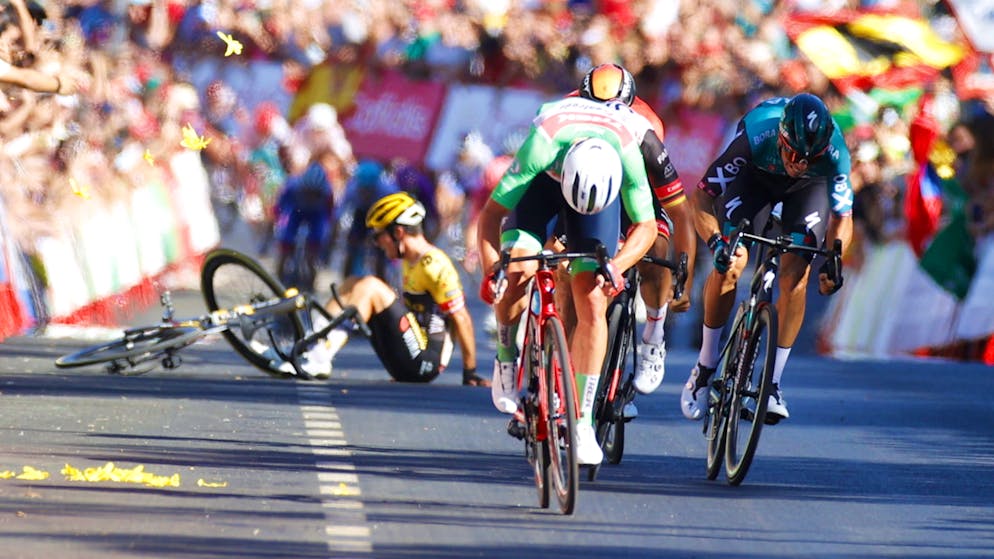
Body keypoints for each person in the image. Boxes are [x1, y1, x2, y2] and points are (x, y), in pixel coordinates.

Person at [476, 95, 658, 466]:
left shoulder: (627, 150)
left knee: (592, 299)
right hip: (544, 184)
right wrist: (491, 267)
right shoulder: (542, 144)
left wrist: (618, 265)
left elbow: (647, 226)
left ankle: (582, 421)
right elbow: (491, 215)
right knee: (518, 271)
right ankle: (507, 356)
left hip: (599, 197)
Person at [680, 93, 852, 424]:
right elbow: (701, 198)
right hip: (754, 180)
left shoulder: (834, 153)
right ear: (782, 138)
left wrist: (834, 258)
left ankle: (772, 384)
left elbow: (843, 216)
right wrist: (716, 242)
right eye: (793, 154)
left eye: (808, 158)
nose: (798, 163)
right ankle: (705, 364)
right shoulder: (758, 134)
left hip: (807, 191)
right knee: (732, 262)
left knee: (795, 276)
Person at [571, 63, 697, 406]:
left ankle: (654, 334)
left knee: (655, 250)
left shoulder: (646, 129)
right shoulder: (566, 117)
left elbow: (681, 213)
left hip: (633, 185)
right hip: (581, 181)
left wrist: (682, 277)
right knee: (569, 270)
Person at [283, 192, 490, 387]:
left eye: (378, 236)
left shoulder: (434, 265)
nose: (377, 243)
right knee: (354, 282)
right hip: (407, 354)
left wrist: (469, 372)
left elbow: (461, 318)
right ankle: (308, 345)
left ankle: (320, 357)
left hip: (425, 362)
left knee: (371, 286)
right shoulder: (409, 260)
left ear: (398, 232)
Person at [273, 159, 335, 291]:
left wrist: (320, 241)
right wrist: (279, 224)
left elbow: (329, 215)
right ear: (302, 188)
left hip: (316, 215)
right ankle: (277, 282)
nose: (311, 197)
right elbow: (279, 207)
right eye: (308, 193)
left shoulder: (328, 192)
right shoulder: (292, 186)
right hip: (295, 211)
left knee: (312, 252)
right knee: (285, 243)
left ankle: (311, 283)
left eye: (315, 194)